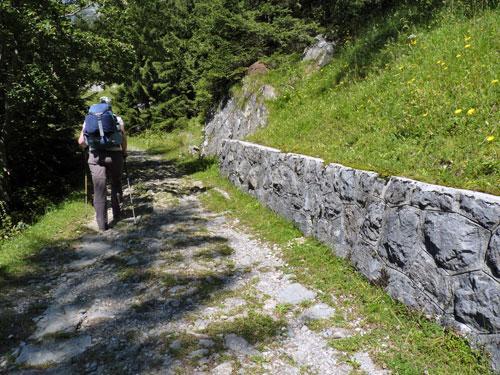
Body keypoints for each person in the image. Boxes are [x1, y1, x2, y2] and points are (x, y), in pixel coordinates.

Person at [78, 96, 127, 231]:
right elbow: (122, 138)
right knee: (116, 183)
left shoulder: (88, 119)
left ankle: (102, 225)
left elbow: (81, 142)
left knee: (99, 189)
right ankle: (117, 214)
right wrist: (124, 152)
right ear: (110, 107)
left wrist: (87, 148)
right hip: (115, 156)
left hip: (95, 157)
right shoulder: (117, 118)